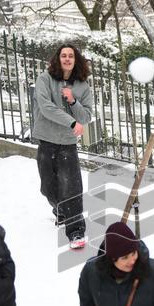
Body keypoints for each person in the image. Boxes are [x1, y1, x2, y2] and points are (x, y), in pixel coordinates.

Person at [32, 44, 94, 249]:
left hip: (67, 143)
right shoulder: (45, 79)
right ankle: (60, 209)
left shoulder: (83, 86)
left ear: (76, 60)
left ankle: (76, 231)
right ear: (57, 59)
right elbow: (46, 107)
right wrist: (71, 122)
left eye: (71, 56)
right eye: (63, 55)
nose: (67, 59)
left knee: (71, 188)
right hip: (47, 139)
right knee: (47, 187)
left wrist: (73, 101)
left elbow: (86, 116)